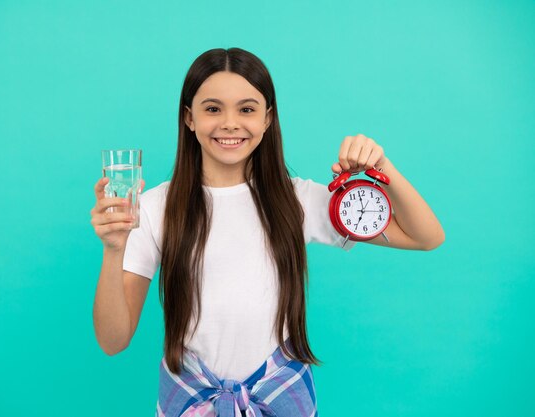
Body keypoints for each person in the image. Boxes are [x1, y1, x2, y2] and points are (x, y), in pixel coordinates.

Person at [90, 47, 444, 417]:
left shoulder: (297, 199)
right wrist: (114, 249)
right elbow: (113, 341)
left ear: (267, 119)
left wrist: (381, 166)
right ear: (189, 118)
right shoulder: (153, 208)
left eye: (246, 109)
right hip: (191, 400)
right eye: (212, 109)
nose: (230, 123)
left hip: (282, 396)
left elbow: (426, 236)